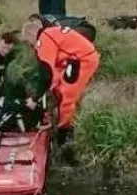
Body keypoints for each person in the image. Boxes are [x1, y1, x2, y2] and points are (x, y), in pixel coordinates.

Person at [21, 13, 100, 159]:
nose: (29, 45)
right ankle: (59, 124)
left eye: (28, 42)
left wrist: (35, 98)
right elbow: (52, 74)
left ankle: (65, 134)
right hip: (77, 57)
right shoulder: (50, 34)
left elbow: (46, 73)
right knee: (57, 88)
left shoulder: (44, 41)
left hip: (82, 60)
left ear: (32, 34)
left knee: (66, 97)